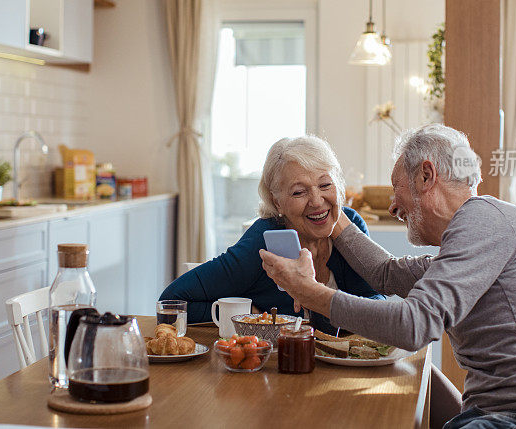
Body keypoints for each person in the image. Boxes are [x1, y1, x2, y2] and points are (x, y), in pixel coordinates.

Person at [260, 124, 516, 429]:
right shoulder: (475, 235)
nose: (393, 207)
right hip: (509, 413)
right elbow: (386, 273)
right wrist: (332, 216)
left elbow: (413, 325)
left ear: (426, 175)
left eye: (397, 189)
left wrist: (309, 292)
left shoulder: (484, 221)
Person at [159, 135, 383, 334]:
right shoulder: (262, 241)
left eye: (325, 185)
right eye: (299, 192)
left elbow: (377, 302)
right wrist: (247, 314)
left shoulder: (349, 225)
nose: (316, 201)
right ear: (278, 202)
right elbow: (171, 302)